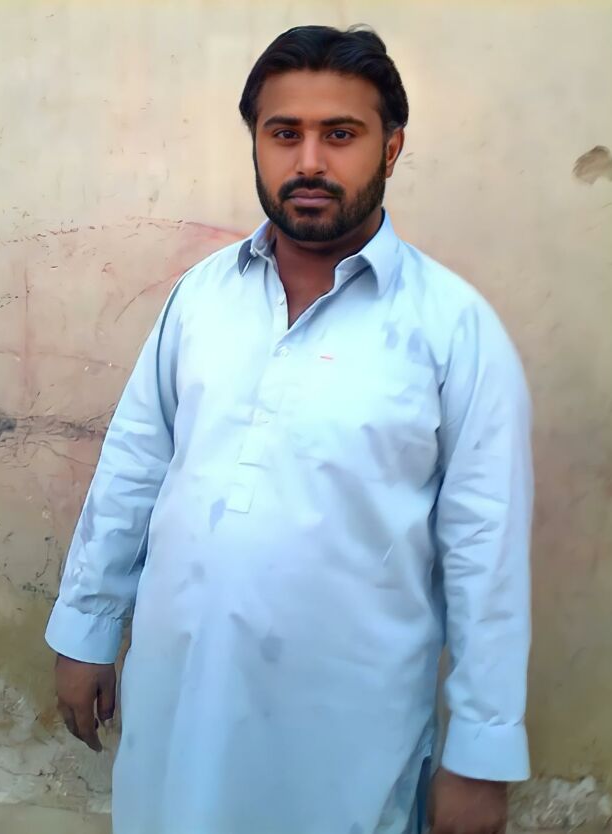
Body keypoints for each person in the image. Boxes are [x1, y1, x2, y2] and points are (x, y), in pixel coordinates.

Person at [45, 24, 533, 834]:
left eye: (340, 134)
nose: (309, 161)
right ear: (257, 145)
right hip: (177, 705)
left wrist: (479, 756)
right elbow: (134, 464)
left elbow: (488, 553)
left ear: (391, 148)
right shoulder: (201, 298)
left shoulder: (454, 330)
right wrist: (86, 631)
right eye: (284, 134)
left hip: (348, 741)